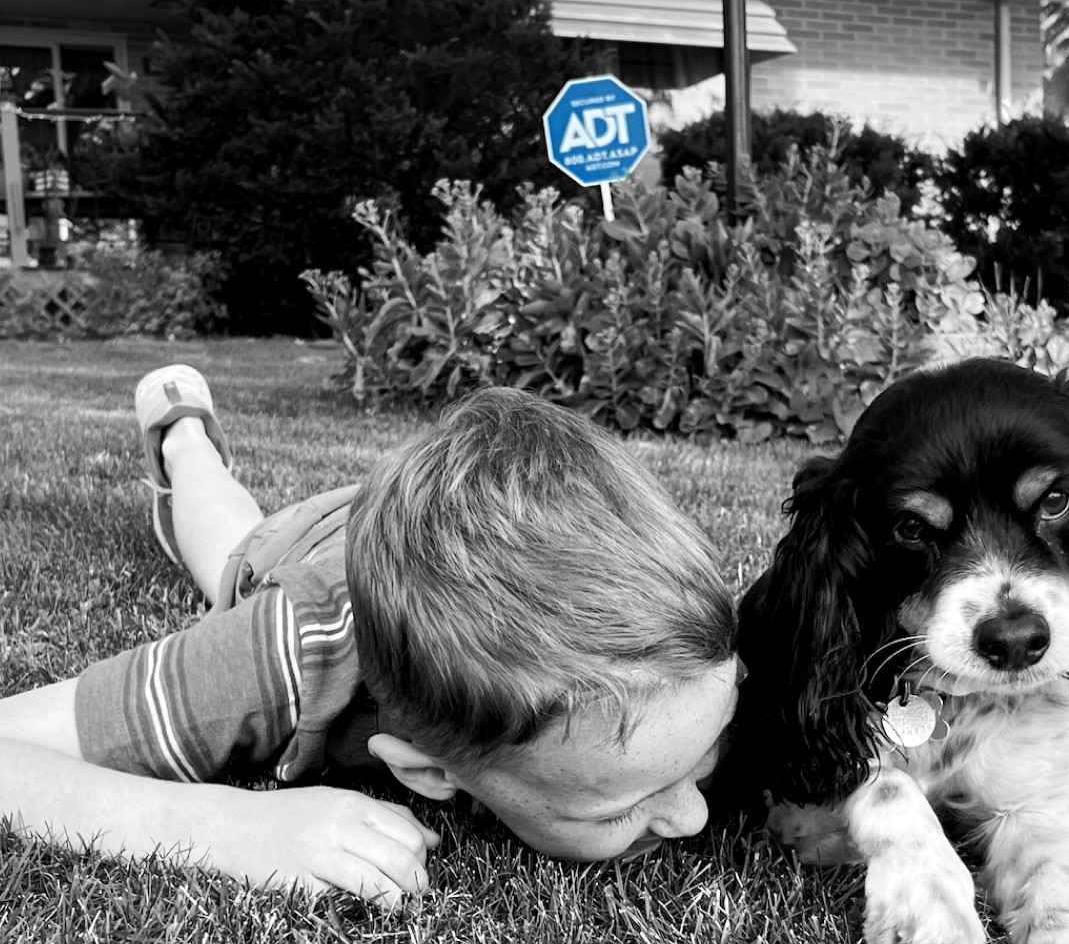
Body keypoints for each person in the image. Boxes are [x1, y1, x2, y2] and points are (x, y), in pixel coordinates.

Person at [0, 366, 740, 904]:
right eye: (616, 809)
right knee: (227, 540)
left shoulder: (673, 608)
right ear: (429, 774)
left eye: (709, 744)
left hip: (415, 536)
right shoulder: (283, 653)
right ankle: (183, 432)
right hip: (301, 549)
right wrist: (224, 826)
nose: (694, 817)